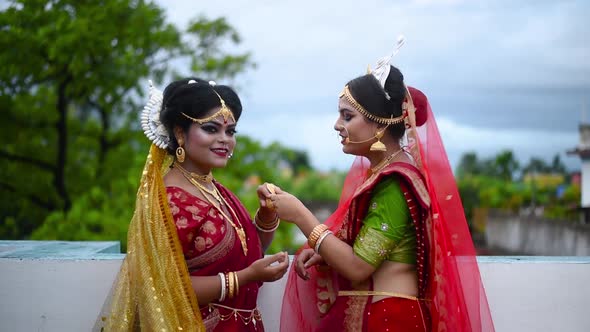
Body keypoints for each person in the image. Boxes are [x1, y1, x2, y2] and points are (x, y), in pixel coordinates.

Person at [263, 39, 495, 331]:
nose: (337, 125)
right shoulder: (388, 174)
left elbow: (358, 267)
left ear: (381, 123)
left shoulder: (395, 183)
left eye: (347, 116)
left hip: (389, 317)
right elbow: (374, 254)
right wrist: (326, 252)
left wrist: (301, 216)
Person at [95, 78, 289, 332]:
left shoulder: (213, 189)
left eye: (230, 132)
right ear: (179, 133)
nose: (224, 140)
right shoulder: (172, 202)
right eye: (211, 129)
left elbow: (247, 254)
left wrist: (266, 216)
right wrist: (247, 278)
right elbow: (164, 288)